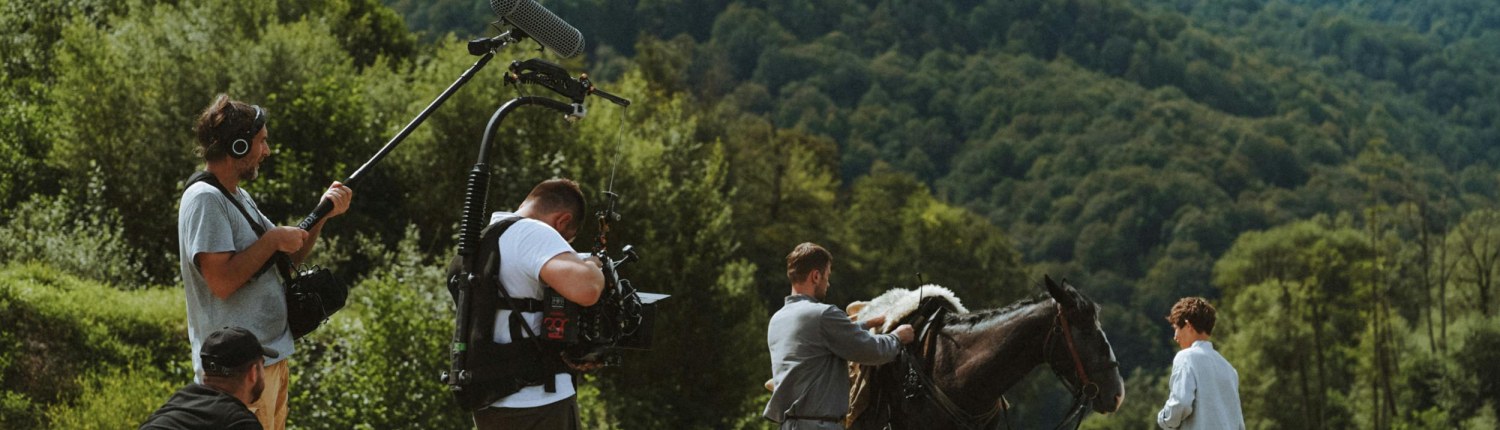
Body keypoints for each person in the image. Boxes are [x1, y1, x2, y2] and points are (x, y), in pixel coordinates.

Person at [177, 94, 352, 430]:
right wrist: (272, 239)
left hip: (268, 361)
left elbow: (287, 256)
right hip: (237, 374)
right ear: (239, 147)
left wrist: (323, 213)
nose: (267, 151)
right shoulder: (204, 200)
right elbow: (222, 282)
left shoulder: (237, 196)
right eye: (262, 141)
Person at [473, 178, 606, 430]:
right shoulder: (532, 231)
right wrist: (593, 266)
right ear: (562, 221)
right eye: (567, 240)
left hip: (492, 400)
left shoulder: (489, 236)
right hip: (537, 402)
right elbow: (587, 289)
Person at [764, 242, 915, 429]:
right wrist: (897, 337)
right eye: (827, 276)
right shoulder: (823, 314)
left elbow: (817, 341)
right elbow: (870, 351)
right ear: (816, 276)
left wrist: (867, 323)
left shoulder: (778, 319)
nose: (828, 283)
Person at [140, 327, 277, 430]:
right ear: (253, 373)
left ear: (206, 372)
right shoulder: (240, 423)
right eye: (262, 364)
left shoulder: (184, 397)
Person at [1158, 297, 1245, 430]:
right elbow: (1238, 422)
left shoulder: (1186, 357)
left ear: (1188, 325)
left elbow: (1181, 403)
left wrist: (1163, 419)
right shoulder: (1229, 369)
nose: (1175, 336)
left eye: (1176, 328)